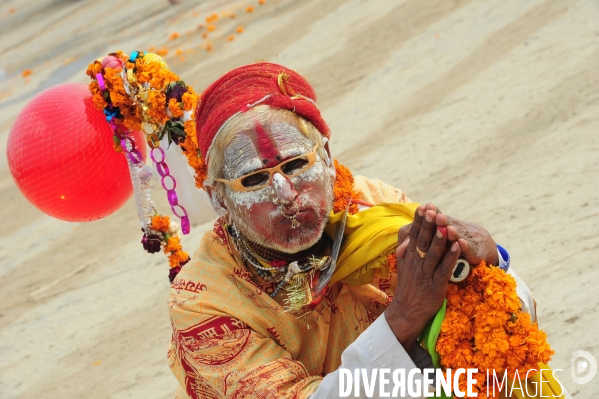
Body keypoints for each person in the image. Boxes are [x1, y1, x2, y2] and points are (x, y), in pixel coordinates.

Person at [166, 63, 539, 399]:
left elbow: (505, 326)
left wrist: (492, 264)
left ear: (327, 158)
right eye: (254, 179)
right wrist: (405, 317)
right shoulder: (203, 302)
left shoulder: (372, 205)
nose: (285, 193)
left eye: (296, 164)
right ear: (218, 199)